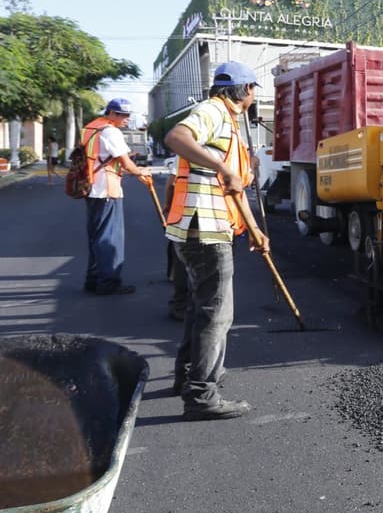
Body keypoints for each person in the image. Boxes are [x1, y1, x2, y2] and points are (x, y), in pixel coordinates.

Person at [164, 60, 269, 421]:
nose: (254, 97)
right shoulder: (213, 111)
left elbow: (234, 189)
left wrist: (254, 230)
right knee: (217, 315)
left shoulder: (229, 122)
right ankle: (202, 395)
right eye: (253, 90)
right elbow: (176, 137)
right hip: (204, 230)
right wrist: (223, 167)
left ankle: (186, 378)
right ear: (246, 90)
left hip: (201, 227)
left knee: (201, 308)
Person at [81, 99, 154, 295]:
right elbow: (126, 163)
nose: (127, 119)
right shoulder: (111, 132)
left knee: (96, 237)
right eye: (123, 115)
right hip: (107, 189)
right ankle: (108, 283)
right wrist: (141, 171)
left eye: (129, 115)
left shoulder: (91, 127)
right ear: (112, 113)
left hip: (91, 187)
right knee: (109, 239)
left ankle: (93, 280)